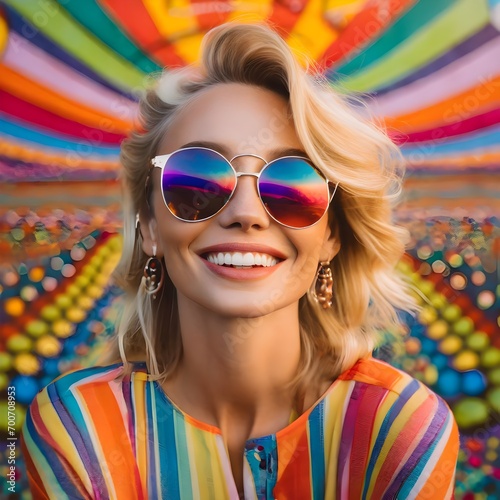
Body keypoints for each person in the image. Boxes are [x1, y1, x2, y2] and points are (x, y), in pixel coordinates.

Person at [21, 22, 459, 499]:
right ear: (148, 226)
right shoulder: (78, 426)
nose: (246, 213)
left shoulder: (398, 428)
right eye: (196, 181)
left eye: (292, 185)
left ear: (331, 233)